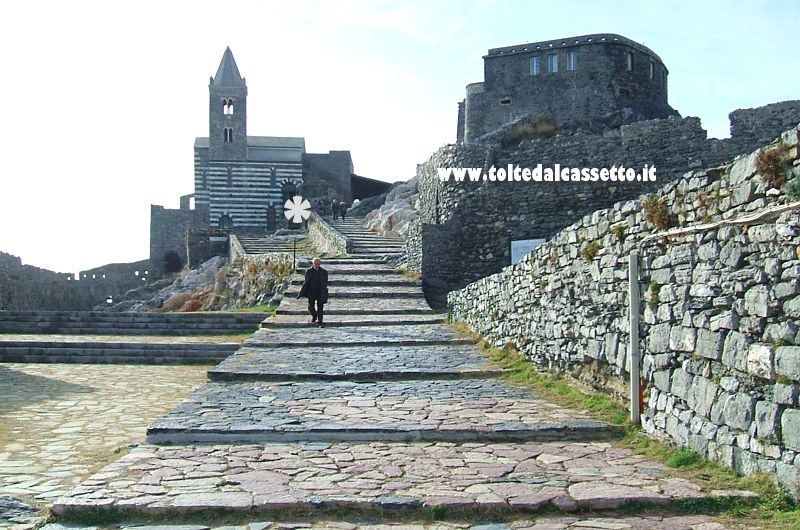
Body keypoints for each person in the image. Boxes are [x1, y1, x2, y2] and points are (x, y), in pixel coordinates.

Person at [297, 257, 328, 327]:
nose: (317, 265)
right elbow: (306, 281)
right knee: (310, 306)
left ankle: (320, 321)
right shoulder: (309, 271)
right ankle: (314, 315)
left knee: (320, 307)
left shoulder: (324, 272)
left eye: (318, 264)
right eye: (315, 264)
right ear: (313, 264)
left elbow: (325, 282)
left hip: (320, 291)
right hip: (311, 291)